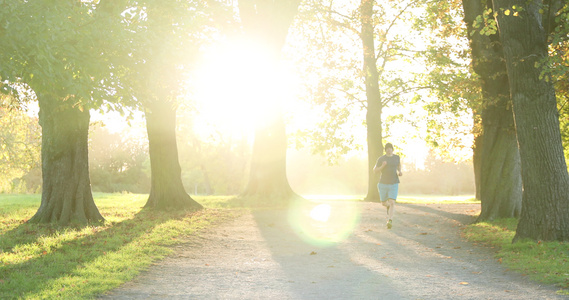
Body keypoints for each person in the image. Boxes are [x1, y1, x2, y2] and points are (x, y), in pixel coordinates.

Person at [373, 143, 402, 229]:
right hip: (383, 183)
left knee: (392, 202)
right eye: (387, 148)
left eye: (390, 148)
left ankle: (390, 220)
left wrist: (399, 171)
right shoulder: (381, 159)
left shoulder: (397, 157)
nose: (389, 150)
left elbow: (398, 165)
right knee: (383, 203)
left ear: (392, 149)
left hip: (394, 183)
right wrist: (382, 165)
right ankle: (387, 206)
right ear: (385, 150)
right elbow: (375, 170)